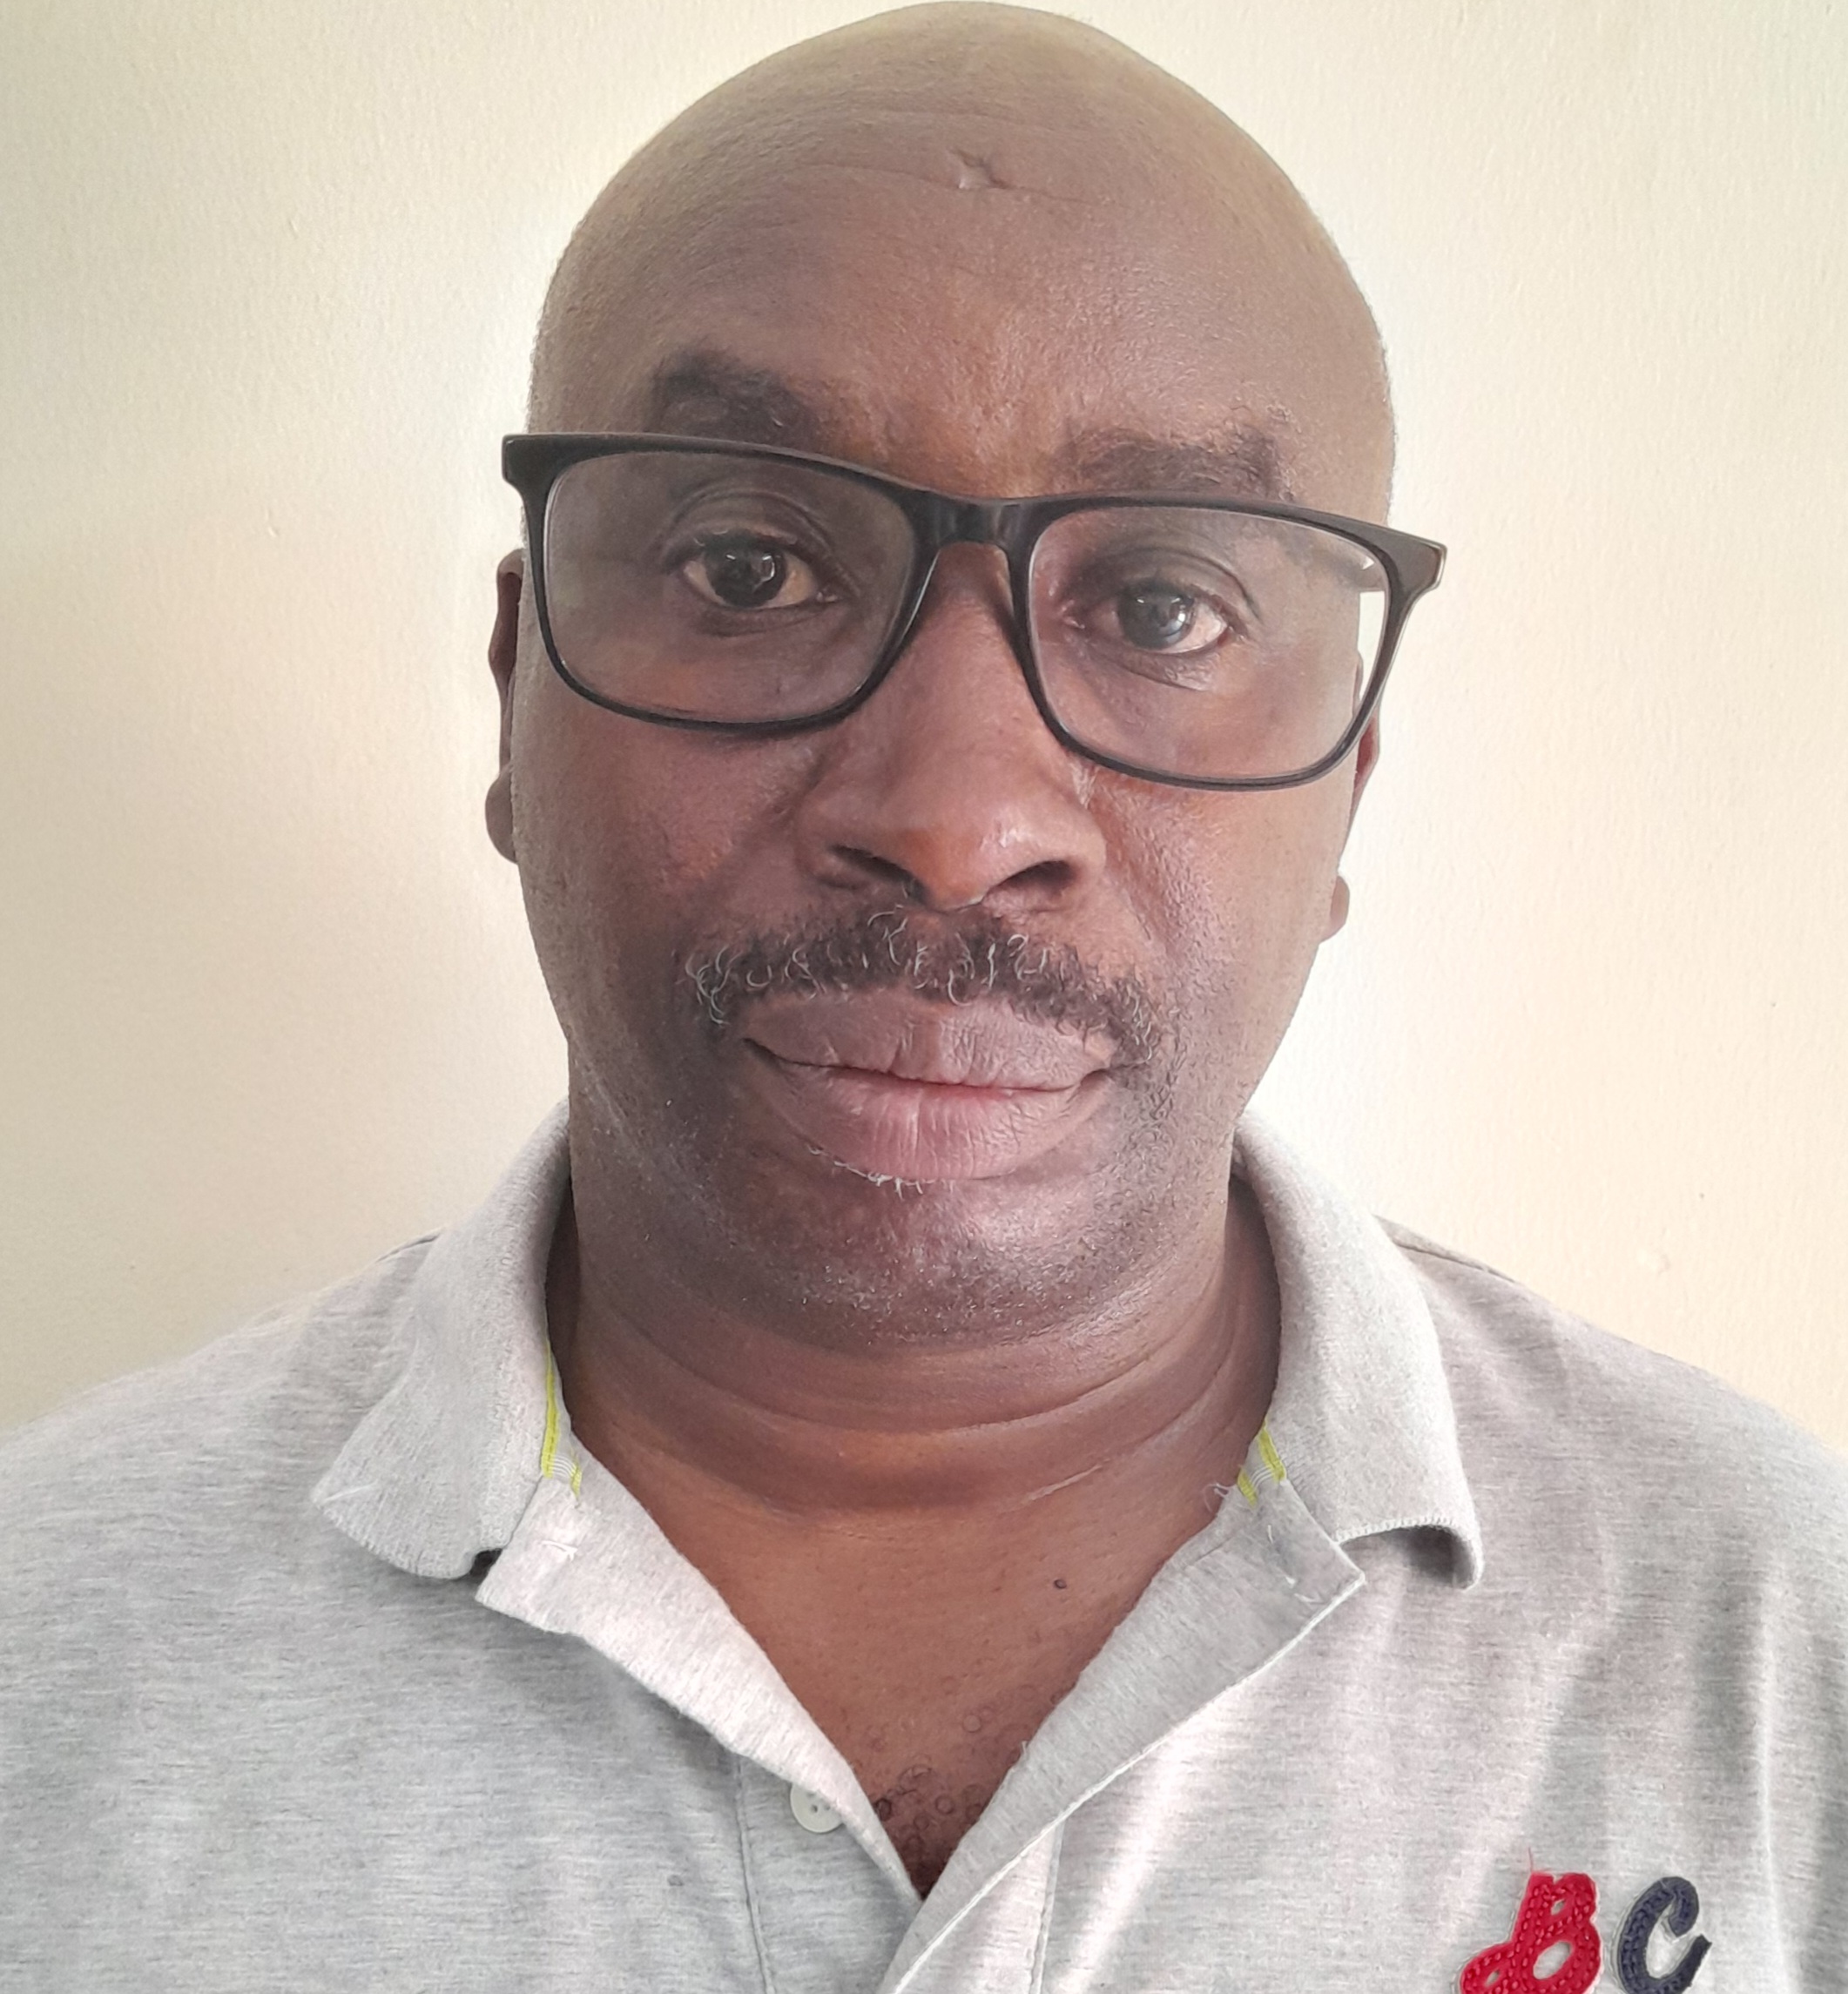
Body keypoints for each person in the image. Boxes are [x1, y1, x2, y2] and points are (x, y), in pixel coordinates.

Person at [2, 5, 1843, 1989]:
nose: (955, 822)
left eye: (1161, 608)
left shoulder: (1773, 1642)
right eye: (746, 567)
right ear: (517, 693)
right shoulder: (44, 1659)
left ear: (1348, 787)